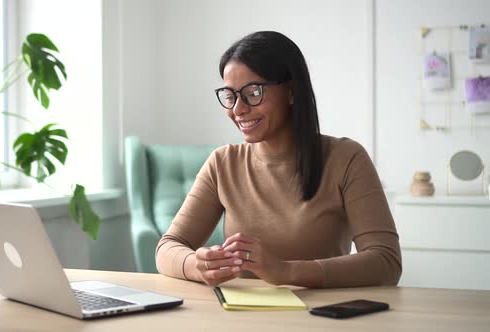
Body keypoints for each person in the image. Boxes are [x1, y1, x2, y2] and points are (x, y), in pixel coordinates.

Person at [155, 31, 401, 288]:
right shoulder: (222, 163)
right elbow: (167, 248)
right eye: (230, 96)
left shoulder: (346, 159)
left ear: (291, 91)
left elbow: (386, 262)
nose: (238, 109)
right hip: (241, 317)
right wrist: (199, 265)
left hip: (321, 319)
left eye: (253, 92)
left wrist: (286, 272)